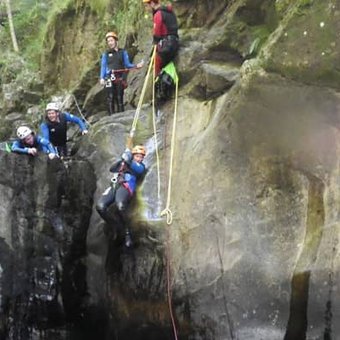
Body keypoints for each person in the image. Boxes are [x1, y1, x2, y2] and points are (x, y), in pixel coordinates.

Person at [96, 145, 147, 248]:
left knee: (120, 205)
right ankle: (114, 225)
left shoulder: (140, 166)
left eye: (141, 157)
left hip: (126, 185)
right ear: (133, 156)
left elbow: (138, 170)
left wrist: (127, 159)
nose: (139, 158)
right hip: (115, 185)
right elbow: (112, 169)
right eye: (137, 156)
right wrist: (122, 160)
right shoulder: (125, 163)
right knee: (100, 206)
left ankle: (128, 233)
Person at [100, 31, 144, 115]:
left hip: (119, 78)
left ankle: (121, 115)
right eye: (108, 41)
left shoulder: (122, 52)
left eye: (111, 41)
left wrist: (136, 66)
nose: (110, 43)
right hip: (109, 77)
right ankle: (111, 117)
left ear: (116, 41)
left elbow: (127, 64)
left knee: (119, 97)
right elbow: (103, 66)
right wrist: (102, 77)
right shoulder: (106, 54)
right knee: (110, 97)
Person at [143, 0, 179, 77]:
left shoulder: (158, 14)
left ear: (152, 3)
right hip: (175, 41)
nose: (146, 8)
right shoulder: (170, 12)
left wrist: (155, 42)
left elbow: (157, 32)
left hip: (167, 44)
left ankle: (157, 82)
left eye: (146, 6)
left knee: (156, 62)